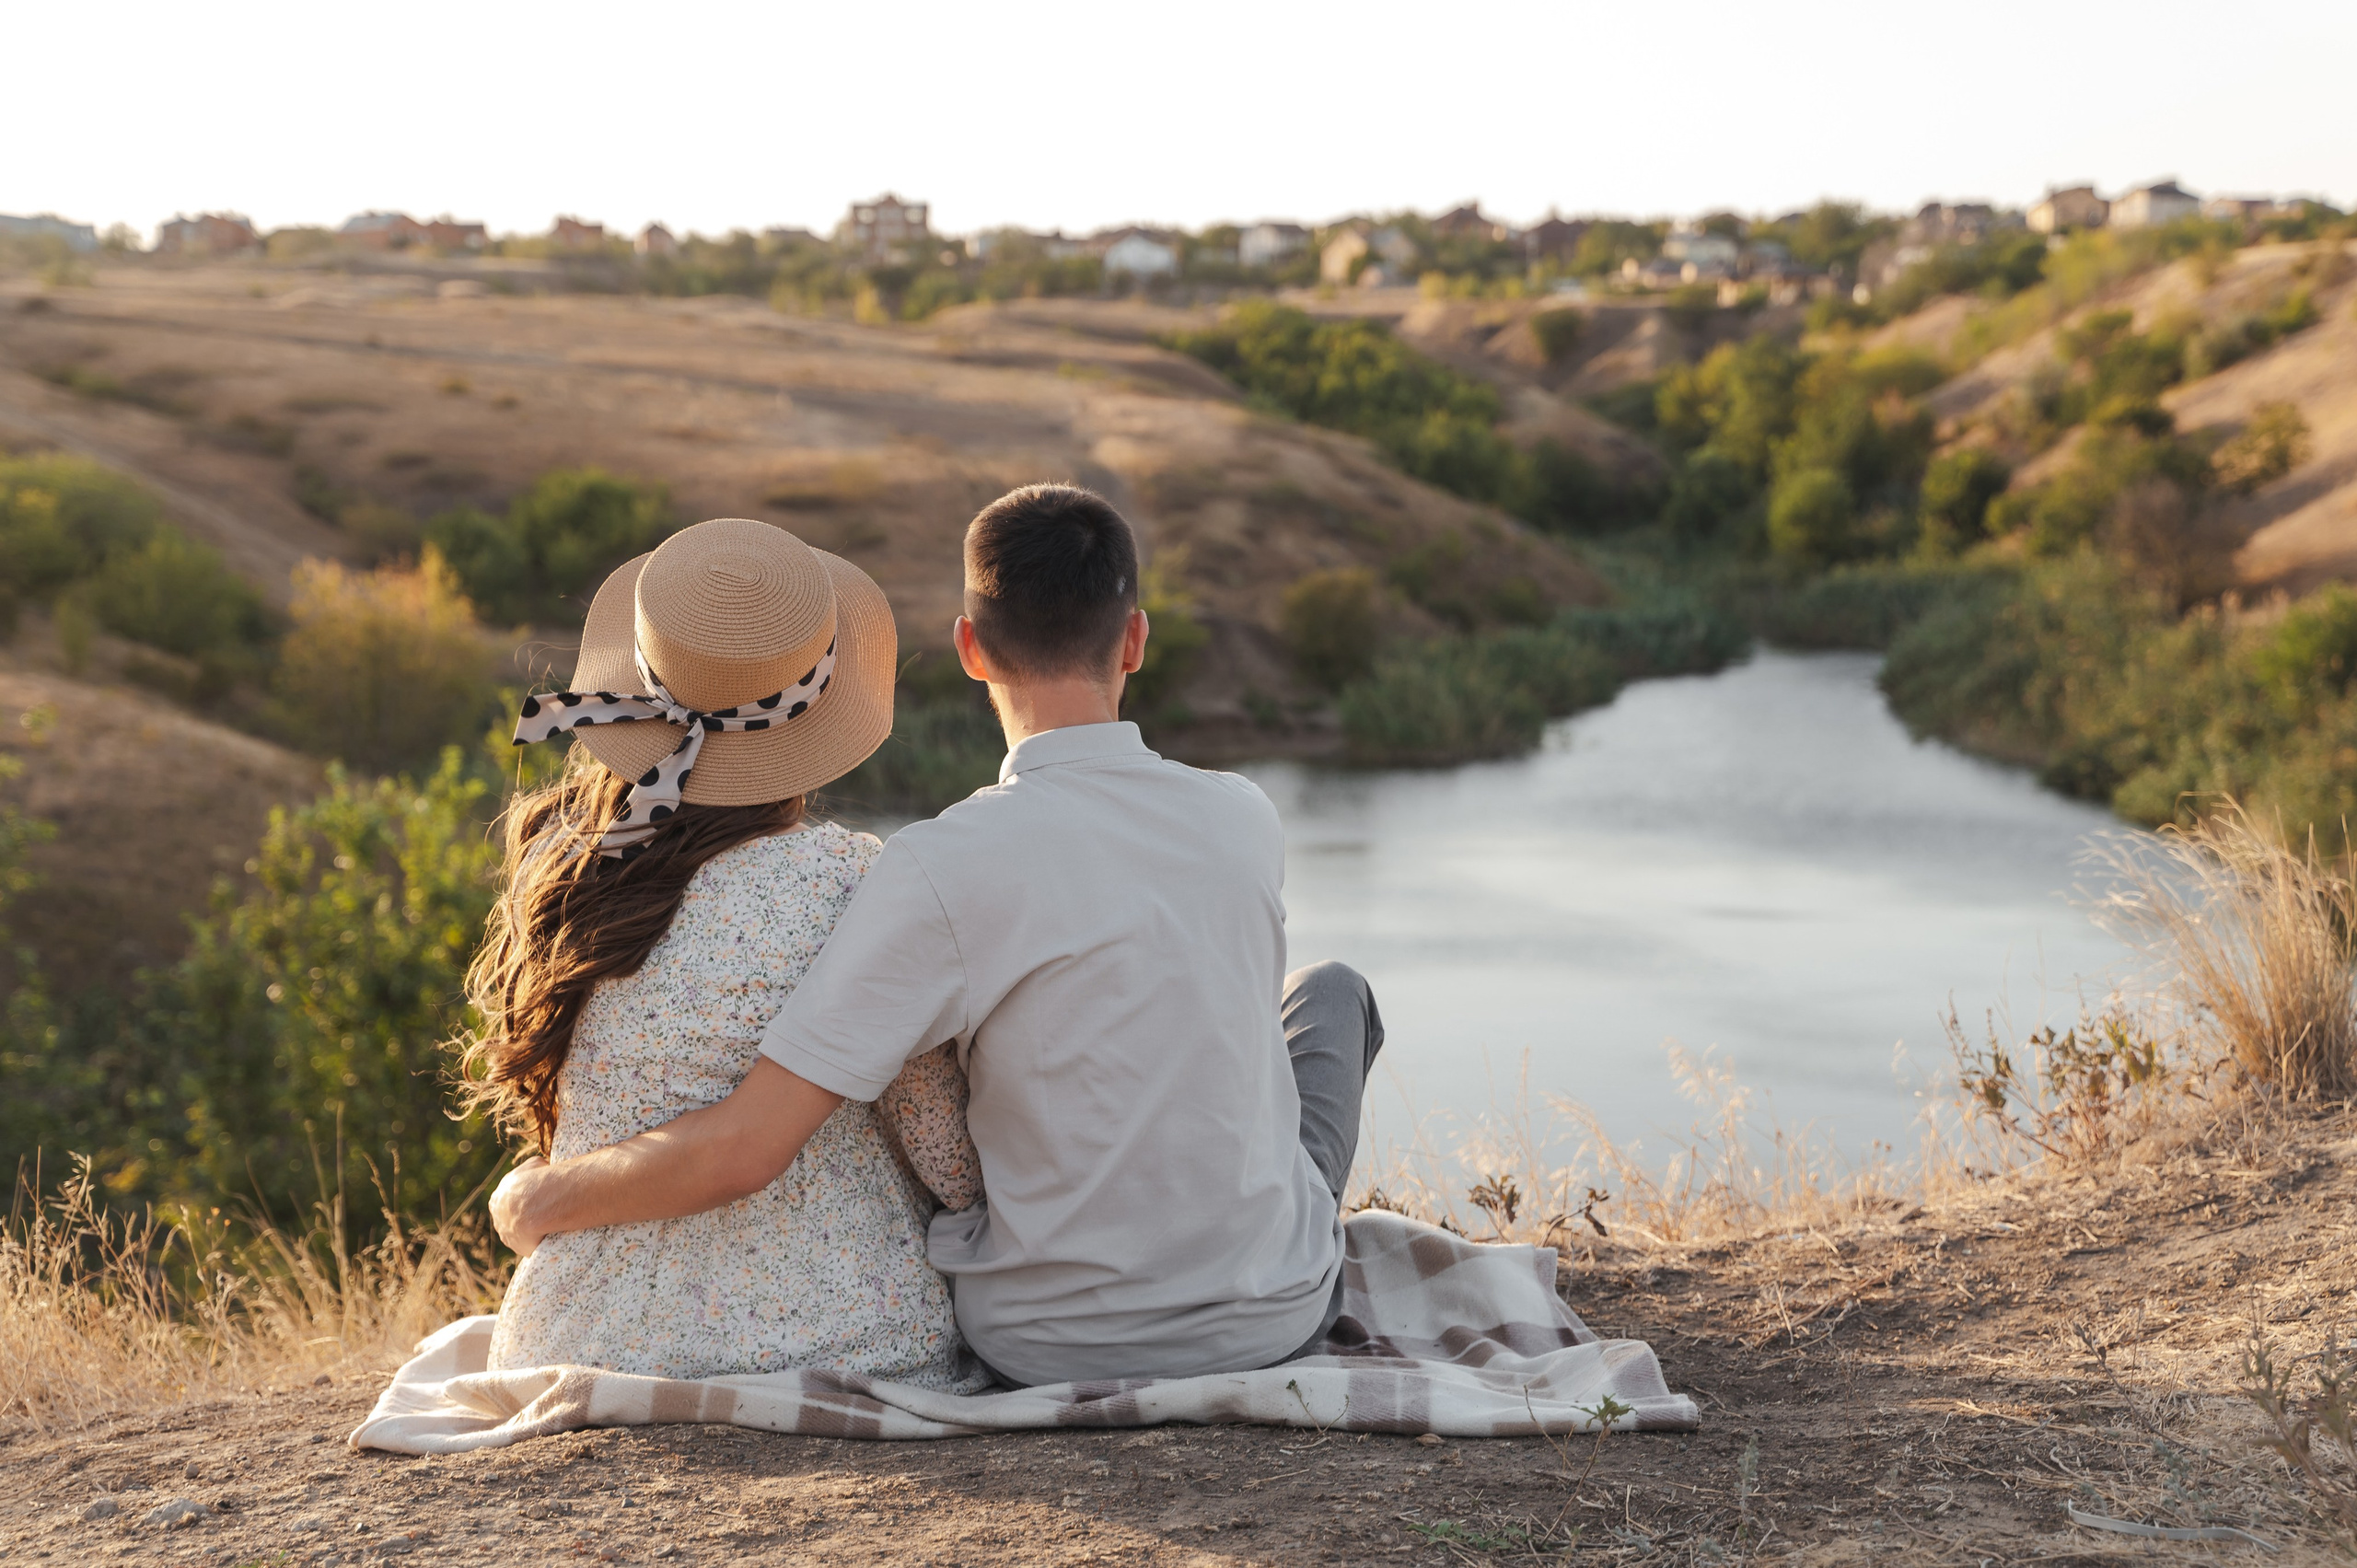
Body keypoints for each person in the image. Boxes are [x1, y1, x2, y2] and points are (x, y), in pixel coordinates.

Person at [492, 484, 1385, 1388]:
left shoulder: (936, 865)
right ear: (1135, 639)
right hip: (1270, 1324)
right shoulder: (1246, 816)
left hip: (1040, 1340)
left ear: (969, 649)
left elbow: (753, 1142)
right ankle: (1264, 1252)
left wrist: (534, 1195)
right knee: (1331, 990)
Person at [468, 516, 985, 1388]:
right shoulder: (853, 885)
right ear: (816, 712)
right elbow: (946, 1154)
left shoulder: (574, 869)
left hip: (577, 1338)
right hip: (839, 1333)